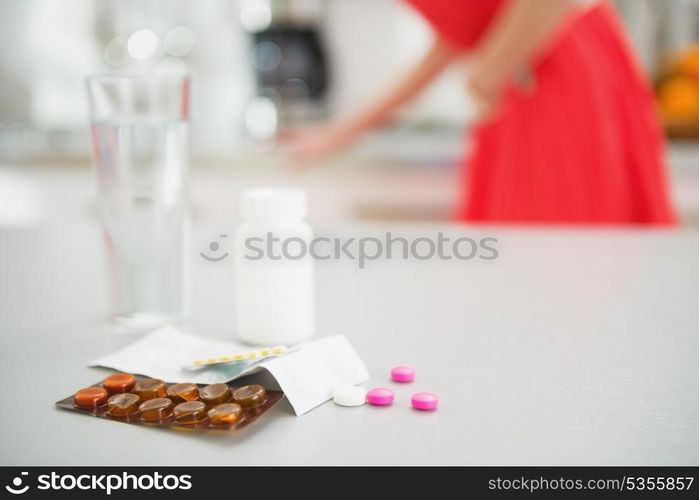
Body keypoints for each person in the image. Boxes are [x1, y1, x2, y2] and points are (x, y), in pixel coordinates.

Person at [285, 0, 677, 225]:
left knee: (563, 273)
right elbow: (462, 34)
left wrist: (492, 68)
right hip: (519, 84)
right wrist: (343, 132)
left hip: (555, 78)